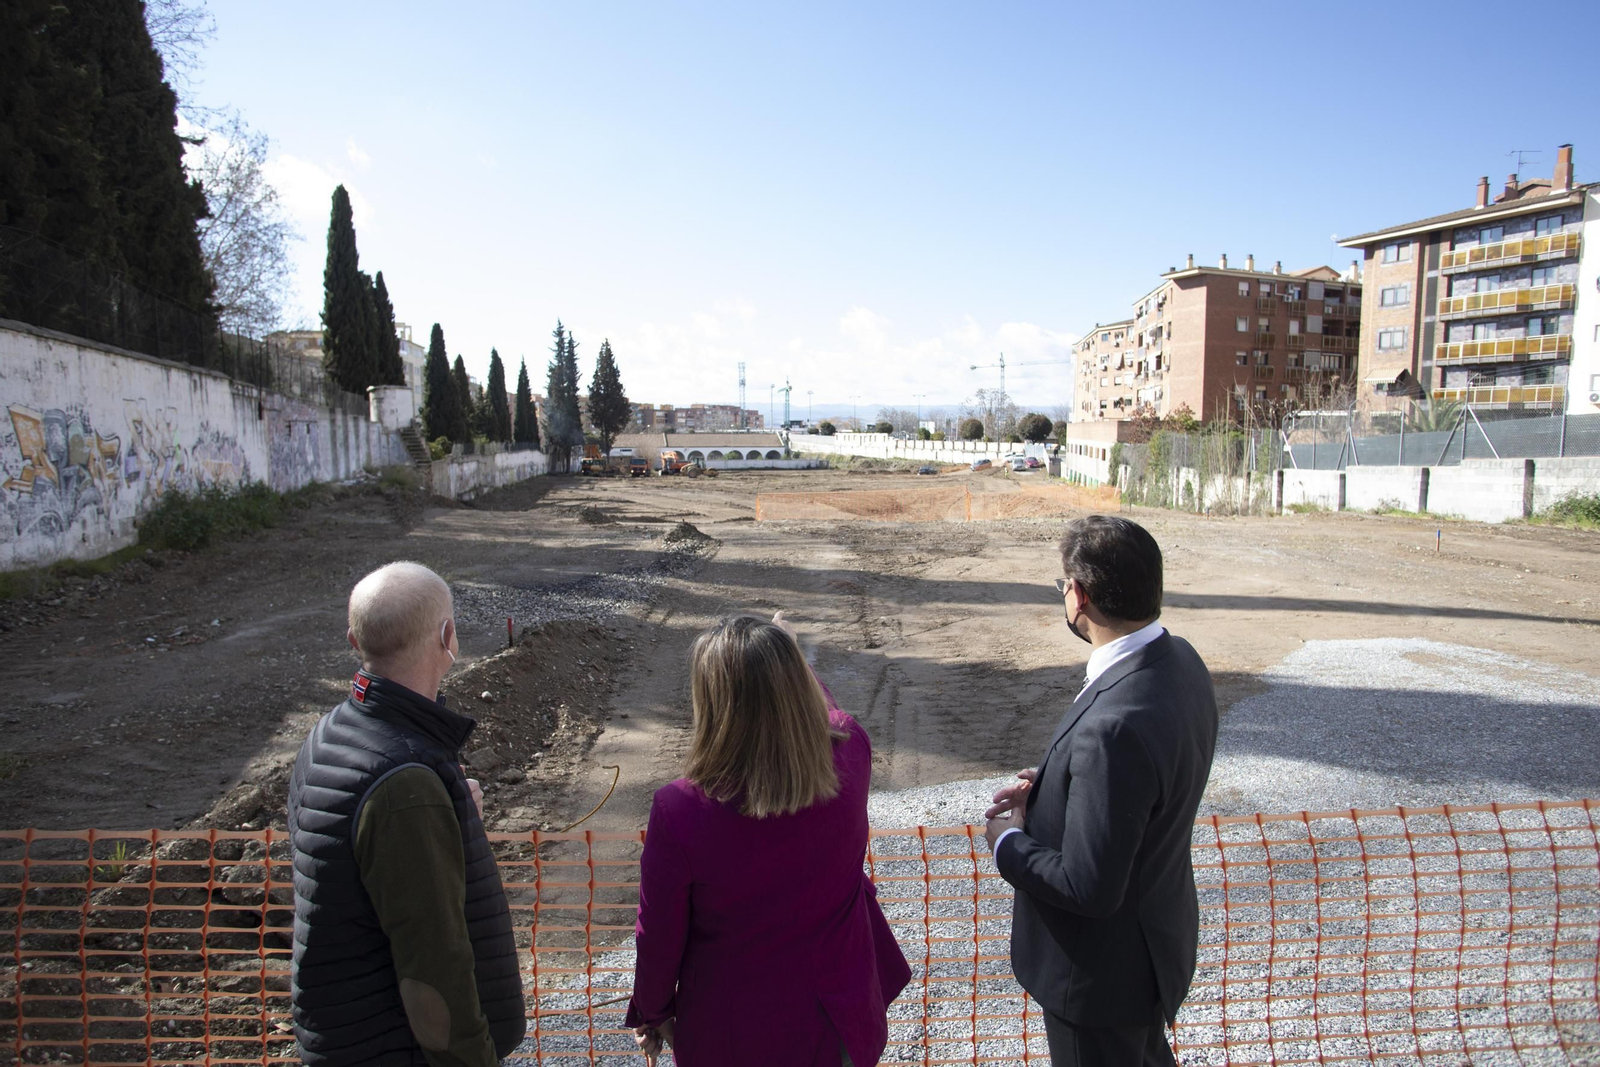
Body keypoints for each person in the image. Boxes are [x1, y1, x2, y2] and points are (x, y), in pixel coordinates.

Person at [983, 516, 1218, 1067]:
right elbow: (1152, 780)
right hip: (1152, 951)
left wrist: (1006, 842)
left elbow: (1088, 888)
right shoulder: (1180, 660)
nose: (1064, 594)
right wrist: (1064, 785)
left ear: (1081, 595)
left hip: (1098, 984)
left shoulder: (1111, 728)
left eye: (1064, 585)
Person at [627, 613, 910, 1066]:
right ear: (797, 685)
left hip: (733, 1037)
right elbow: (830, 718)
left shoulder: (678, 810)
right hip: (840, 1025)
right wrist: (788, 655)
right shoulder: (852, 753)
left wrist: (654, 1011)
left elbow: (657, 935)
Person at [287, 561, 525, 1067]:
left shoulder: (328, 735)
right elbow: (436, 967)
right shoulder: (405, 786)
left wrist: (448, 824)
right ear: (449, 638)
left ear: (355, 640)